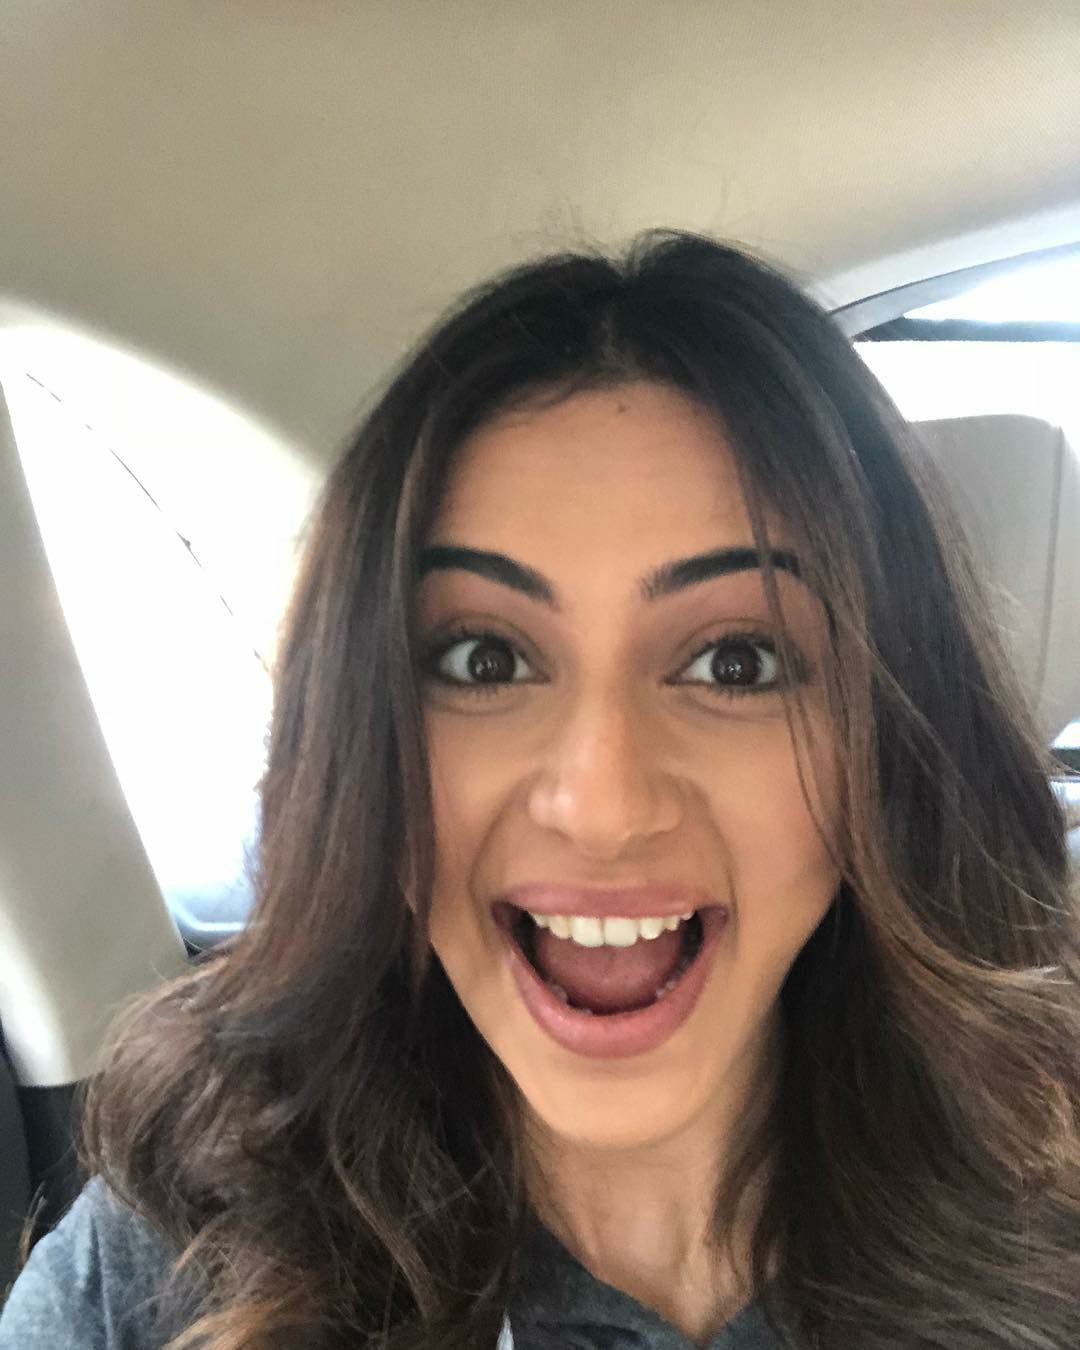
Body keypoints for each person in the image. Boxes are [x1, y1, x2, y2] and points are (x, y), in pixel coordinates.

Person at [2, 230, 1077, 1350]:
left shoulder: (1053, 1202)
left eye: (737, 663)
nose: (602, 806)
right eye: (486, 660)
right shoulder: (166, 1266)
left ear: (885, 747)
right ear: (363, 741)